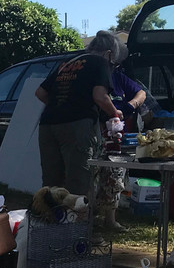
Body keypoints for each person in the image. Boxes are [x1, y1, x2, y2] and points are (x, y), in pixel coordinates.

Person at [35, 30, 123, 196]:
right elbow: (100, 97)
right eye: (114, 64)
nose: (112, 67)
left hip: (48, 124)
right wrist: (115, 114)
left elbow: (40, 93)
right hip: (77, 125)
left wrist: (62, 105)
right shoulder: (100, 62)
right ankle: (76, 220)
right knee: (78, 180)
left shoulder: (68, 63)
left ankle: (49, 218)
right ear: (109, 54)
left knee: (51, 182)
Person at [96, 42, 149, 230]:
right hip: (95, 134)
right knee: (91, 177)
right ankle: (87, 218)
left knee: (114, 176)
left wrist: (131, 105)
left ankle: (109, 219)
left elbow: (141, 92)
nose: (114, 67)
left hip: (117, 137)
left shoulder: (118, 77)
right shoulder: (93, 75)